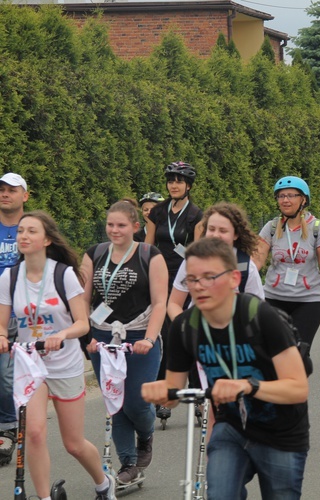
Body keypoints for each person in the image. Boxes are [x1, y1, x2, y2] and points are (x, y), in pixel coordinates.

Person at [141, 238, 309, 499]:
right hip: (231, 428)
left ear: (233, 278)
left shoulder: (262, 317)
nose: (199, 287)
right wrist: (159, 391)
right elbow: (173, 392)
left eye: (209, 277)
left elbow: (298, 389)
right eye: (192, 279)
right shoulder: (185, 327)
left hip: (281, 433)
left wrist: (247, 385)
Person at [0, 211, 117, 500]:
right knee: (35, 433)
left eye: (31, 231)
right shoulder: (9, 276)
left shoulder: (62, 275)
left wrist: (61, 335)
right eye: (21, 231)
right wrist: (2, 337)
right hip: (31, 364)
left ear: (47, 239)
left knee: (73, 443)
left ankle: (104, 483)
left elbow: (82, 323)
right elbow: (2, 323)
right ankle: (44, 497)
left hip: (65, 364)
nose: (23, 236)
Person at [82, 199, 168, 486]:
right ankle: (128, 463)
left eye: (121, 225)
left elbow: (159, 303)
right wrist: (88, 337)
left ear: (135, 226)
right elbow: (82, 299)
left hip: (139, 335)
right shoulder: (94, 254)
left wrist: (149, 338)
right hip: (103, 335)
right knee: (114, 402)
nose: (114, 230)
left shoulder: (149, 254)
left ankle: (145, 435)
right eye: (110, 224)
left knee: (136, 401)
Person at [254, 176, 320, 350]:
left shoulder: (316, 228)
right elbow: (256, 260)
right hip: (274, 299)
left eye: (291, 195)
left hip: (308, 301)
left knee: (298, 353)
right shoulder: (271, 227)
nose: (285, 200)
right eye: (281, 196)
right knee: (272, 353)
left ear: (303, 199)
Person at [145, 161, 203, 421]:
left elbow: (197, 250)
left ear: (188, 185)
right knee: (164, 337)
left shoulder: (195, 215)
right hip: (159, 278)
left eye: (179, 181)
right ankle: (166, 396)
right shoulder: (156, 212)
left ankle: (199, 392)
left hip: (183, 281)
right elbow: (147, 246)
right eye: (171, 180)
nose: (174, 185)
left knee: (185, 335)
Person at [168, 202, 264, 322]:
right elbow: (174, 303)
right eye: (211, 229)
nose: (215, 235)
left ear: (235, 235)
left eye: (223, 231)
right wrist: (184, 328)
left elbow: (258, 310)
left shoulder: (246, 267)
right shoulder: (192, 261)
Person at [0, 173, 27, 466]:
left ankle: (8, 428)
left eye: (11, 190)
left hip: (23, 314)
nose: (5, 194)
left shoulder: (31, 228)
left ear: (25, 196)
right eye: (2, 190)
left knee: (7, 378)